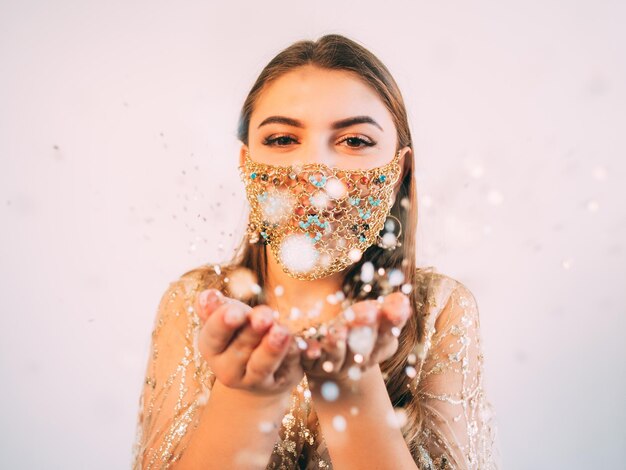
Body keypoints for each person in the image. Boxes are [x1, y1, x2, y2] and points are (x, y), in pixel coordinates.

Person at [131, 34, 501, 469]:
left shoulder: (438, 309)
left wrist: (350, 385)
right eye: (283, 139)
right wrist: (248, 396)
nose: (316, 174)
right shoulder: (194, 303)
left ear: (400, 169)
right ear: (245, 163)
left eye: (355, 141)